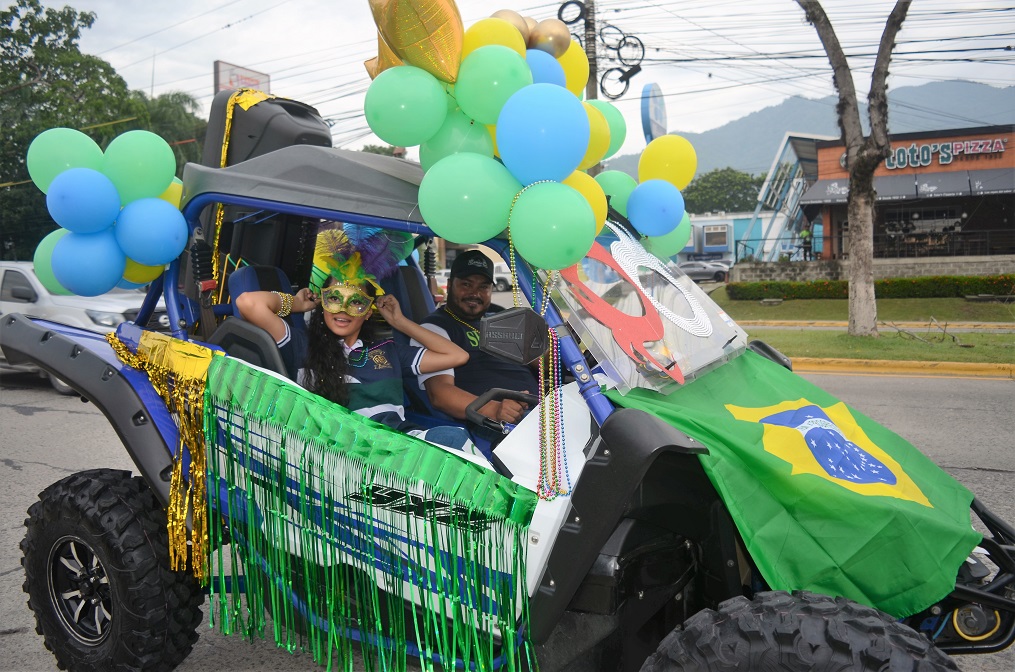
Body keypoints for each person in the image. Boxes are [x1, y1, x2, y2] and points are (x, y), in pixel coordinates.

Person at [234, 251, 476, 451]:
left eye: (357, 302)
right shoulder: (300, 344)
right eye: (334, 299)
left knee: (455, 438)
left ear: (369, 311)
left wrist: (400, 322)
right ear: (323, 302)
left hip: (402, 444)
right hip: (347, 454)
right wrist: (297, 304)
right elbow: (248, 303)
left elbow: (457, 356)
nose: (343, 310)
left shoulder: (388, 351)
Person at [415, 250, 538, 427]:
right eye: (466, 284)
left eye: (483, 287)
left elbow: (540, 361)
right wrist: (493, 410)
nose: (475, 293)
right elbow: (440, 394)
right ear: (449, 285)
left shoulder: (499, 318)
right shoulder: (435, 328)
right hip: (494, 425)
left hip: (541, 408)